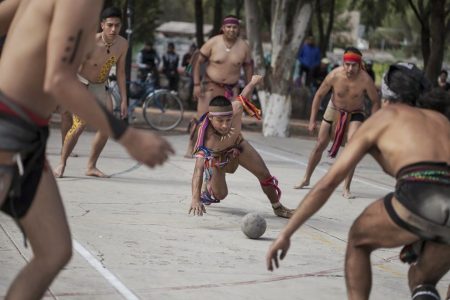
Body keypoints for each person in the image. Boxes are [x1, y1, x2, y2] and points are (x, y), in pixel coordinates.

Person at [0, 0, 173, 299]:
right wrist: (128, 136)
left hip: (27, 138)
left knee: (54, 250)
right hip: (8, 127)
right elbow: (59, 79)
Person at [267, 62, 450, 300]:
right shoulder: (441, 120)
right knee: (421, 280)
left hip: (421, 195)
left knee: (358, 239)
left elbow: (328, 182)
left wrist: (286, 233)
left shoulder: (384, 117)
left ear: (386, 96)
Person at [189, 75, 295, 219]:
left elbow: (243, 95)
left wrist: (253, 82)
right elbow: (197, 169)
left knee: (265, 175)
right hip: (217, 156)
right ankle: (208, 185)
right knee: (220, 194)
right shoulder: (205, 136)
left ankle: (278, 207)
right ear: (211, 117)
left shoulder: (236, 107)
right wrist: (195, 198)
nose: (225, 125)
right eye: (220, 121)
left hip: (238, 145)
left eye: (228, 120)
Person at [293, 47, 380, 199]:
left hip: (356, 113)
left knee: (352, 147)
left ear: (360, 65)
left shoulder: (365, 80)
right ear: (343, 63)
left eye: (354, 65)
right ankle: (306, 178)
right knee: (320, 144)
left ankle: (346, 187)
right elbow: (319, 95)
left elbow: (375, 101)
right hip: (334, 108)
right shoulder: (334, 75)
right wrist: (312, 120)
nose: (350, 68)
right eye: (347, 64)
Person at [53, 6, 129, 178]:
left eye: (117, 25)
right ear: (102, 25)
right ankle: (62, 163)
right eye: (109, 25)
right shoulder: (90, 42)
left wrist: (124, 99)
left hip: (100, 86)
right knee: (79, 124)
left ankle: (91, 166)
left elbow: (121, 72)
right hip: (80, 84)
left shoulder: (123, 44)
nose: (113, 29)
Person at [186, 15, 253, 158]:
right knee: (202, 118)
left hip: (232, 88)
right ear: (223, 28)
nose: (231, 30)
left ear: (238, 29)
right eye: (228, 27)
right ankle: (192, 146)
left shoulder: (244, 47)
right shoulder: (213, 42)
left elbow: (248, 68)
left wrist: (249, 89)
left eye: (234, 27)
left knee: (233, 120)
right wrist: (196, 84)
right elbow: (197, 62)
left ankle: (227, 149)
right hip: (210, 85)